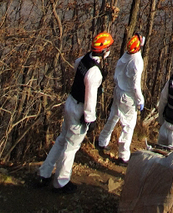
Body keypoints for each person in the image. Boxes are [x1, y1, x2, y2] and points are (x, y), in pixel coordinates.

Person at [38, 31, 114, 193]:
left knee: (61, 140)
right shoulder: (94, 72)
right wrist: (90, 118)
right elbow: (90, 97)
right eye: (108, 48)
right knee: (71, 147)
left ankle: (44, 173)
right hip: (79, 109)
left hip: (70, 102)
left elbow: (76, 65)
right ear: (103, 51)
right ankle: (61, 182)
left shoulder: (84, 60)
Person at [97, 33, 145, 165]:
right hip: (128, 97)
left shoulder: (125, 56)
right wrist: (140, 100)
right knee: (128, 126)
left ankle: (102, 141)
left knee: (113, 117)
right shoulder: (137, 61)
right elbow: (136, 85)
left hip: (118, 91)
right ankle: (123, 156)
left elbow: (116, 74)